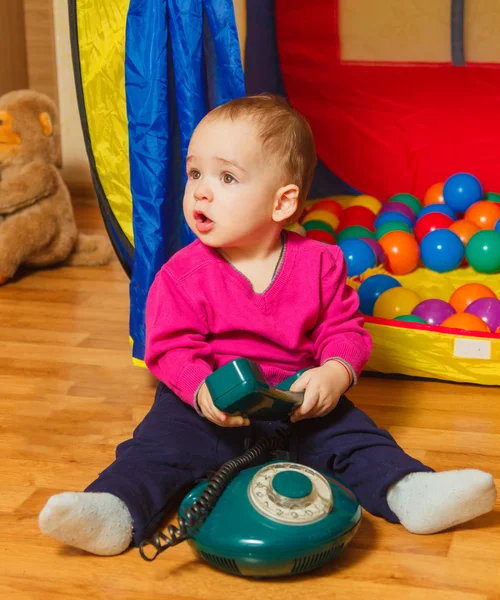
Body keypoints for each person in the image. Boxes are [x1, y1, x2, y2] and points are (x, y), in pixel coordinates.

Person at [39, 95, 496, 556]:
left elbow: (346, 331)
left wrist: (335, 373)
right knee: (159, 445)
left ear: (282, 203)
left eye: (226, 177)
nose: (200, 190)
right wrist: (200, 389)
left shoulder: (321, 263)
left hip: (298, 404)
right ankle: (115, 508)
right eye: (195, 173)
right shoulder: (180, 275)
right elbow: (170, 350)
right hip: (209, 406)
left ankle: (411, 491)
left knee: (357, 437)